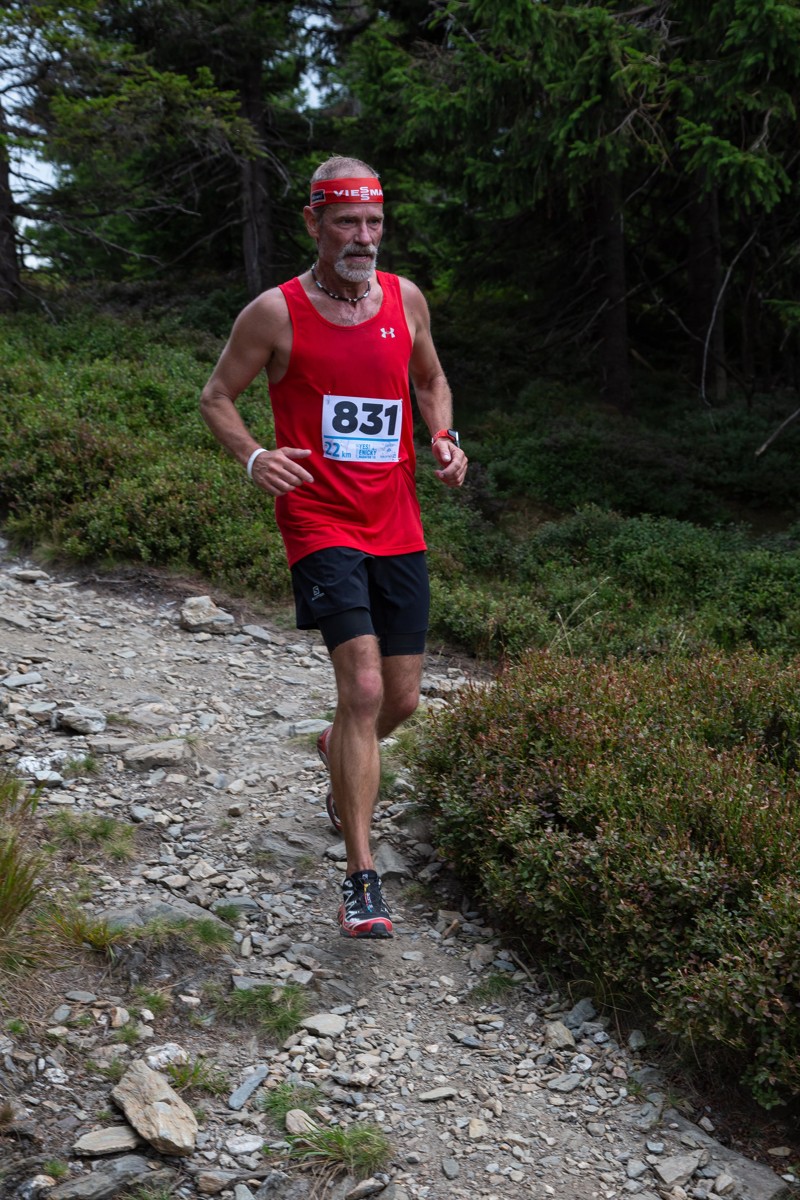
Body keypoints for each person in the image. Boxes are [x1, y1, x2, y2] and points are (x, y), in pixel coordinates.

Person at [200, 155, 468, 939]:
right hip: (318, 520)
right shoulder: (274, 313)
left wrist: (445, 437)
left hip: (396, 519)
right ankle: (361, 878)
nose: (363, 237)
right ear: (313, 222)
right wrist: (255, 456)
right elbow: (217, 398)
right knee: (363, 689)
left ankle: (336, 749)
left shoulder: (404, 299)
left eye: (374, 222)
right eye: (347, 221)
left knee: (401, 699)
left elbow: (431, 381)